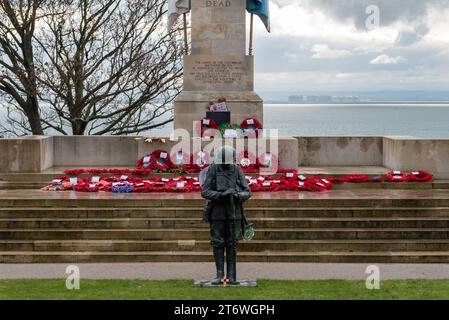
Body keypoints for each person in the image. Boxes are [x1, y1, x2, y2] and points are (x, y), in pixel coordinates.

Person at [201, 145, 251, 285]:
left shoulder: (236, 169)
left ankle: (231, 276)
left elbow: (247, 192)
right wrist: (221, 195)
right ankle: (219, 275)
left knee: (232, 243)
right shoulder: (213, 169)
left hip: (234, 212)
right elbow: (205, 191)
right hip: (217, 212)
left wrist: (236, 194)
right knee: (217, 243)